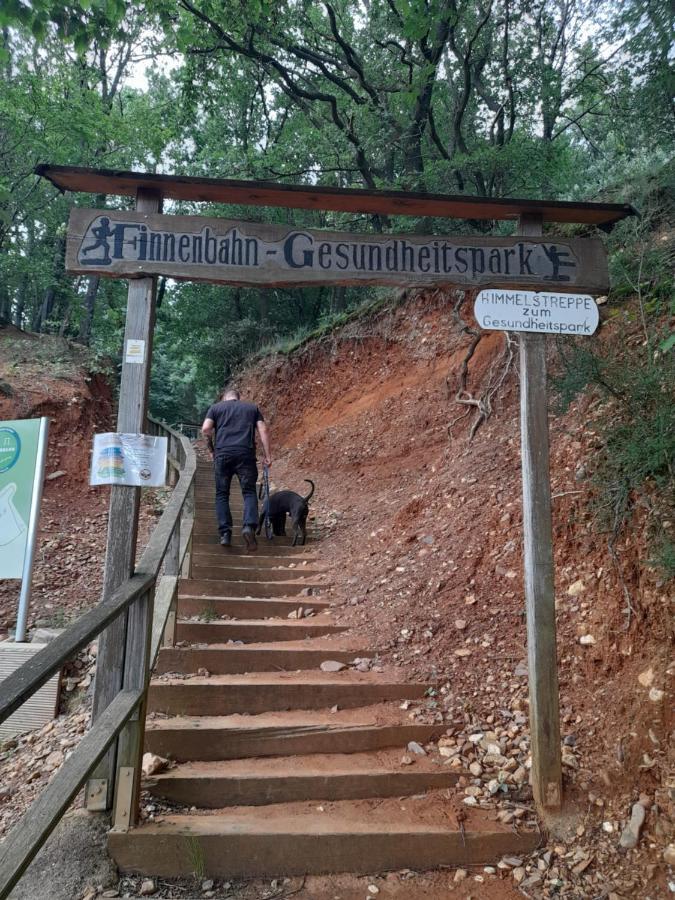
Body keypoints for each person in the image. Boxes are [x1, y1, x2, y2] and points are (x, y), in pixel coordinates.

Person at [201, 389, 272, 550]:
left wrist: (211, 450)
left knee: (222, 494)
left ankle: (225, 533)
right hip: (245, 455)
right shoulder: (251, 408)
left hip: (223, 455)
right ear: (239, 398)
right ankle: (248, 526)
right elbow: (263, 430)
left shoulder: (216, 408)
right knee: (248, 492)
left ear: (224, 398)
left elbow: (206, 429)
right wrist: (268, 455)